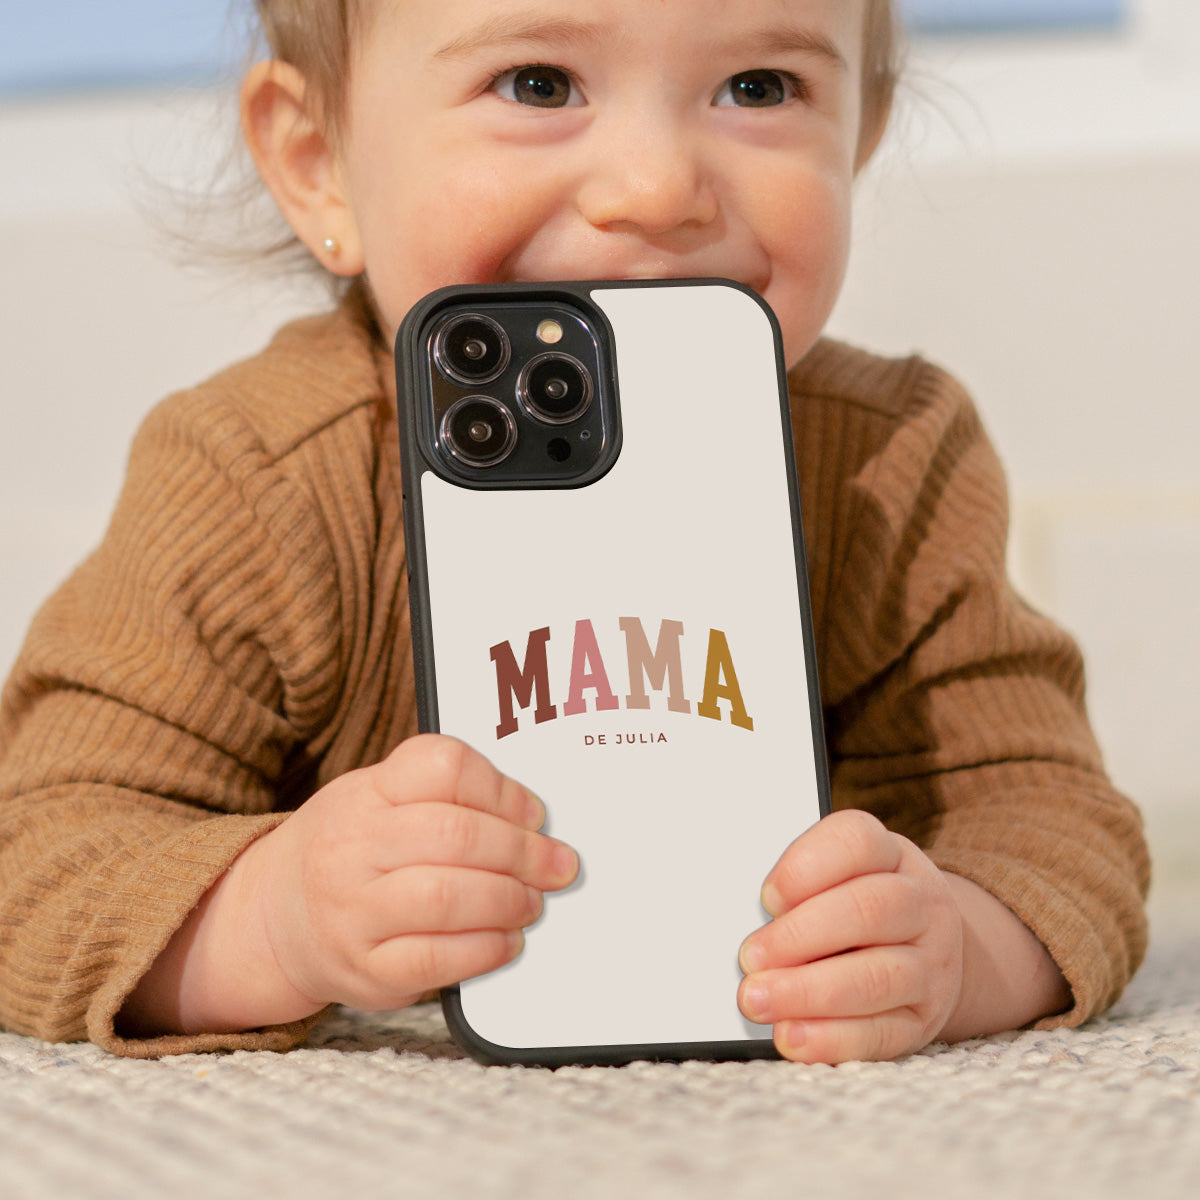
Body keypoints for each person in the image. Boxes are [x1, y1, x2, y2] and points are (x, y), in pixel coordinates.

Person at [0, 0, 1149, 1064]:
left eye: (759, 88)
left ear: (860, 138)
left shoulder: (893, 462)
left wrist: (958, 949)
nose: (657, 188)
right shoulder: (255, 479)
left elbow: (1046, 818)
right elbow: (40, 854)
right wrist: (272, 917)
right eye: (539, 84)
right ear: (319, 163)